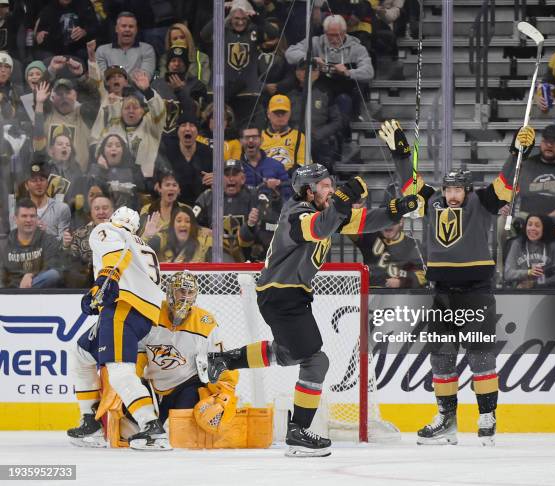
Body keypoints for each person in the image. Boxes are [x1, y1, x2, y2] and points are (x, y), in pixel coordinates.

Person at [206, 163, 417, 456]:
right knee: (316, 361)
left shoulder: (327, 214)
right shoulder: (298, 214)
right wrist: (345, 197)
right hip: (281, 295)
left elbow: (366, 220)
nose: (331, 190)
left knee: (289, 353)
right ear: (310, 190)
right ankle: (298, 432)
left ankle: (224, 360)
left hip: (289, 295)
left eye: (333, 186)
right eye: (327, 186)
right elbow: (319, 228)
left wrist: (399, 209)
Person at [378, 119, 536, 446]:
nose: (452, 195)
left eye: (457, 190)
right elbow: (409, 184)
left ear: (466, 190)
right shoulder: (433, 202)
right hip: (442, 295)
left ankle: (487, 416)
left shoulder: (482, 202)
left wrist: (517, 151)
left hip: (476, 293)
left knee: (480, 356)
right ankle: (446, 420)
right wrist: (400, 152)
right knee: (441, 356)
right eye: (448, 189)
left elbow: (506, 183)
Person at [70, 206, 169, 450]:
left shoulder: (107, 230)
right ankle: (90, 421)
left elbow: (115, 257)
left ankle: (152, 428)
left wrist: (103, 283)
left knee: (120, 372)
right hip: (144, 313)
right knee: (80, 353)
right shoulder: (142, 245)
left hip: (123, 308)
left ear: (113, 219)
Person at [137, 271, 238, 427]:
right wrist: (127, 381)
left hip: (187, 385)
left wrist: (226, 390)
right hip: (153, 386)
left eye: (190, 292)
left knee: (176, 429)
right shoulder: (151, 314)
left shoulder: (205, 322)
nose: (185, 297)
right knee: (138, 427)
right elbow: (138, 354)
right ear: (170, 291)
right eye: (181, 291)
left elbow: (221, 359)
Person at [285, 15, 374, 125]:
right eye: (330, 35)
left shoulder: (357, 48)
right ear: (325, 32)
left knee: (344, 100)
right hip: (321, 89)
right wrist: (311, 59)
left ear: (345, 32)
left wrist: (348, 72)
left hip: (345, 89)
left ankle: (342, 133)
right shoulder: (316, 42)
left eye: (338, 35)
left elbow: (369, 72)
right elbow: (289, 53)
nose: (334, 39)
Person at [91, 69, 165, 179]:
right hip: (119, 177)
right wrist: (98, 156)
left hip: (147, 179)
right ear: (121, 111)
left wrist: (148, 91)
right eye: (126, 108)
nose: (131, 111)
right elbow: (96, 139)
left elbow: (159, 112)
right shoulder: (114, 126)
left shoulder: (151, 125)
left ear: (142, 111)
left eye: (135, 107)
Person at [193, 159, 256, 262]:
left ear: (243, 178)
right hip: (216, 253)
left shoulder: (253, 195)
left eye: (235, 174)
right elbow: (190, 221)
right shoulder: (207, 196)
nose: (231, 179)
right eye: (227, 175)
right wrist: (201, 229)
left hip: (247, 254)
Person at [0, 198, 63, 288]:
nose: (29, 220)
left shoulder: (49, 240)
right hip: (11, 293)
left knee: (53, 274)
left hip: (39, 289)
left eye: (32, 216)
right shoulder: (4, 245)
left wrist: (31, 274)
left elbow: (53, 266)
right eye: (24, 216)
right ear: (15, 219)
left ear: (37, 218)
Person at [349, 219, 425, 288]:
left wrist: (401, 282)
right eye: (383, 220)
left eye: (391, 220)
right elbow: (347, 226)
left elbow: (422, 276)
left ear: (401, 221)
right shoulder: (368, 237)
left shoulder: (413, 244)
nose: (387, 224)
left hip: (401, 296)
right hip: (371, 294)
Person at [158, 111, 213, 206]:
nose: (187, 129)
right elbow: (156, 177)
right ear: (178, 131)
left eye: (192, 125)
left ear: (197, 131)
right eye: (183, 125)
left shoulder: (207, 152)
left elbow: (220, 177)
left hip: (201, 205)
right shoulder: (167, 151)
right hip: (173, 204)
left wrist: (215, 178)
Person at [62, 194, 114, 287]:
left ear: (113, 210)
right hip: (86, 285)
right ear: (91, 212)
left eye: (105, 208)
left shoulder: (122, 233)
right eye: (97, 209)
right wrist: (66, 246)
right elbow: (69, 262)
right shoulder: (79, 234)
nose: (101, 212)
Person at [504, 214, 555, 288]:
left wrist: (535, 285)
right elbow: (508, 274)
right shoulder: (517, 244)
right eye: (529, 224)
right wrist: (528, 272)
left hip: (547, 293)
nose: (532, 228)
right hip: (519, 292)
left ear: (545, 228)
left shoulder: (554, 246)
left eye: (537, 225)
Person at [89, 132, 145, 210]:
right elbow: (92, 194)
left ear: (123, 150)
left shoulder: (133, 169)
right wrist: (102, 170)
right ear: (103, 151)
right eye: (109, 146)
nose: (113, 148)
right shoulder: (95, 169)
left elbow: (141, 189)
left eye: (118, 145)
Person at [95, 11, 156, 78]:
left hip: (137, 88)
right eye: (123, 26)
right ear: (116, 29)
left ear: (136, 30)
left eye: (131, 26)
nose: (127, 29)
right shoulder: (102, 50)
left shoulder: (147, 49)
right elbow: (101, 77)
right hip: (110, 88)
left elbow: (145, 78)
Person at [239, 125, 291, 200]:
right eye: (247, 138)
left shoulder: (276, 166)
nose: (250, 140)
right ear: (240, 141)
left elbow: (288, 196)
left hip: (271, 209)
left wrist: (277, 187)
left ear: (261, 140)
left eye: (254, 137)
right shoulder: (235, 168)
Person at [142, 206, 211, 263]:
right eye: (179, 221)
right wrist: (146, 236)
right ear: (172, 224)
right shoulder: (161, 239)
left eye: (187, 221)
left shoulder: (203, 244)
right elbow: (139, 256)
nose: (183, 224)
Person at [24, 162, 72, 240]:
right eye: (34, 180)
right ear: (26, 185)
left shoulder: (61, 208)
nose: (39, 183)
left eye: (42, 179)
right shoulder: (20, 211)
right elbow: (15, 241)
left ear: (47, 183)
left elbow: (64, 244)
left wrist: (46, 232)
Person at [260, 95, 306, 172]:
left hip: (290, 179)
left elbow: (304, 163)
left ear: (290, 113)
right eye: (276, 112)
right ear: (268, 113)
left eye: (283, 112)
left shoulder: (299, 136)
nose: (280, 116)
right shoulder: (259, 137)